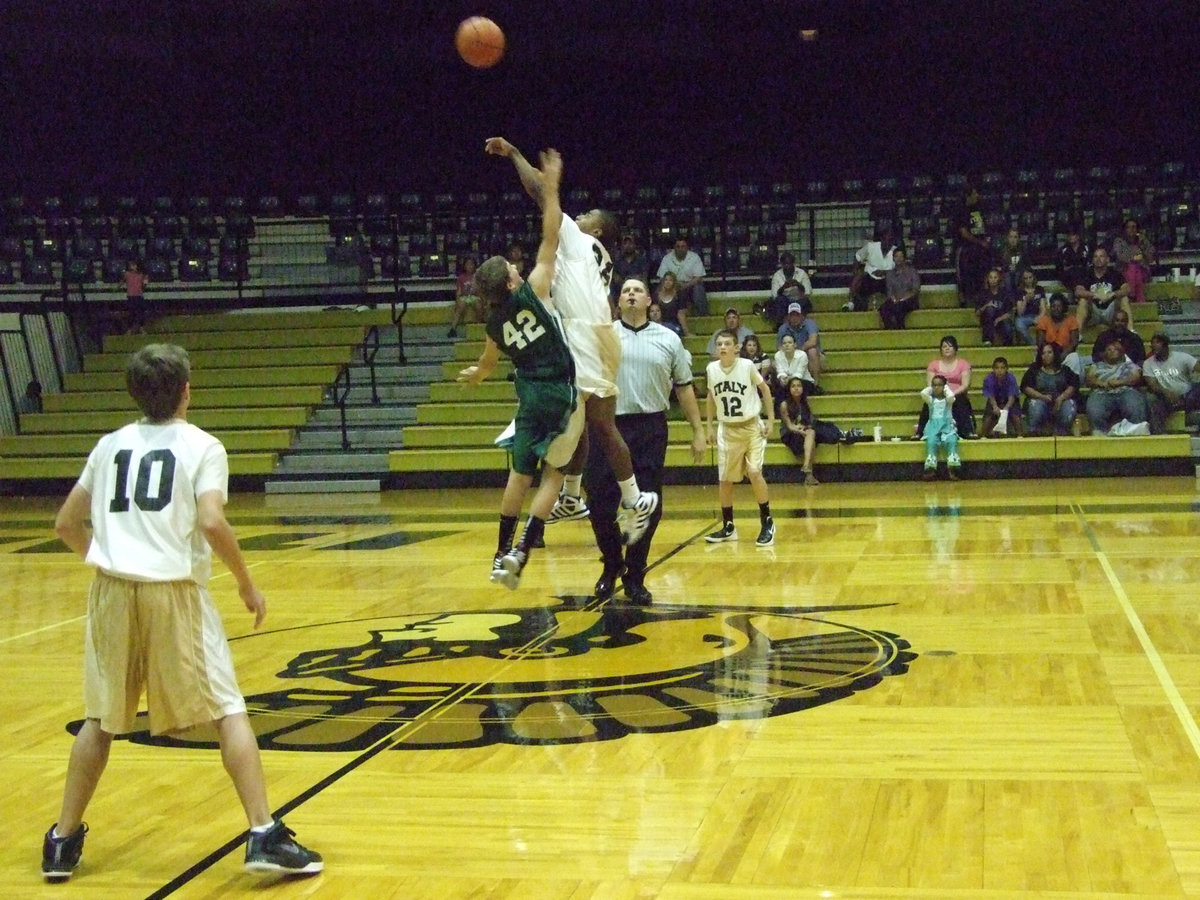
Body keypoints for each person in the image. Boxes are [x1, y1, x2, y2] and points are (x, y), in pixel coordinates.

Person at [43, 343, 323, 883]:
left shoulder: (109, 445)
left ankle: (60, 840)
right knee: (228, 707)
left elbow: (65, 523)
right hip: (172, 592)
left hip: (111, 591)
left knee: (101, 718)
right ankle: (262, 831)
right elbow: (213, 522)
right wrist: (246, 584)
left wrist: (104, 558)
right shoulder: (202, 446)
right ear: (187, 391)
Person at [486, 136, 658, 545]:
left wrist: (514, 154)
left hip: (585, 335)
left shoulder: (579, 241)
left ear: (596, 229)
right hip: (596, 334)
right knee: (584, 419)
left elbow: (540, 193)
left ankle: (631, 499)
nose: (576, 216)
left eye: (586, 215)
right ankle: (575, 494)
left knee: (594, 421)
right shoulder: (600, 258)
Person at [461, 147, 586, 587]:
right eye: (514, 268)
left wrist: (476, 375)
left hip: (527, 395)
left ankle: (499, 552)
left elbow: (488, 363)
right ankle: (523, 550)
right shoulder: (534, 288)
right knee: (556, 471)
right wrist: (550, 190)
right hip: (559, 391)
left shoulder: (494, 322)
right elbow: (551, 237)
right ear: (513, 282)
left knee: (519, 473)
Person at [584, 277, 706, 605]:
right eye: (626, 291)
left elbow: (683, 387)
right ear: (618, 301)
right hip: (607, 426)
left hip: (650, 427)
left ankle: (635, 574)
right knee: (598, 500)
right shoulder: (603, 336)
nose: (632, 295)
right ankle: (611, 563)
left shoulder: (669, 338)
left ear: (650, 299)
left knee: (649, 502)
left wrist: (698, 431)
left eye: (637, 290)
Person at [704, 329, 776, 546]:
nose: (723, 347)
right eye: (719, 344)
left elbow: (765, 389)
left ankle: (767, 521)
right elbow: (710, 396)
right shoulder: (711, 369)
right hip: (727, 429)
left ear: (736, 348)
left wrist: (771, 419)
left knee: (754, 472)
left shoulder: (746, 366)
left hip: (752, 427)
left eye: (727, 343)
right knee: (725, 480)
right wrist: (708, 425)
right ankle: (728, 526)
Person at [778, 376, 844, 485]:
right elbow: (789, 426)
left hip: (804, 433)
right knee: (811, 435)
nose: (796, 388)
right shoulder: (784, 405)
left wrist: (805, 428)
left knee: (811, 434)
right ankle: (807, 468)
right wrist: (799, 430)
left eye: (799, 386)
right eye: (793, 386)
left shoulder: (805, 404)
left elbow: (810, 422)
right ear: (789, 389)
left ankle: (808, 471)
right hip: (790, 435)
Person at [1085, 337, 1148, 434]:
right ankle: (1099, 433)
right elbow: (1089, 379)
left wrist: (1120, 382)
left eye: (1115, 349)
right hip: (1102, 392)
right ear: (1104, 353)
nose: (1112, 351)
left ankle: (1135, 430)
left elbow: (1136, 377)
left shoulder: (1129, 365)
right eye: (1109, 350)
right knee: (1094, 409)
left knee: (1134, 405)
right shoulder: (1096, 366)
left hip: (1126, 390)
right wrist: (1102, 383)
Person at [1141, 332, 1200, 433]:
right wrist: (1166, 392)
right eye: (1152, 343)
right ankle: (1159, 434)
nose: (1153, 345)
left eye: (1158, 342)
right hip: (1165, 397)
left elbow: (1197, 367)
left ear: (1166, 345)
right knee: (1153, 401)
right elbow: (1152, 385)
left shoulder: (1181, 357)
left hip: (1187, 395)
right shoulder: (1148, 363)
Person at [917, 336, 974, 438]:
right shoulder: (933, 365)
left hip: (957, 394)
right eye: (944, 346)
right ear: (941, 349)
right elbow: (930, 384)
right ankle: (919, 432)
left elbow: (965, 385)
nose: (947, 348)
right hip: (938, 394)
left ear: (955, 349)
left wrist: (952, 394)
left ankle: (967, 431)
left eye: (950, 346)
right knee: (927, 404)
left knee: (960, 401)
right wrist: (940, 394)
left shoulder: (963, 364)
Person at [1021, 342, 1081, 435]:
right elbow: (1025, 387)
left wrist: (1061, 398)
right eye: (1043, 353)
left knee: (1070, 406)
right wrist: (1042, 396)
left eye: (1049, 352)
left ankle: (1062, 432)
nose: (1046, 356)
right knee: (1036, 407)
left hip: (1060, 402)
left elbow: (1074, 384)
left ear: (1055, 354)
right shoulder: (1034, 369)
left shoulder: (1064, 370)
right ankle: (1034, 432)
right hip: (1040, 401)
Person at [1075, 247, 1132, 329]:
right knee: (1083, 301)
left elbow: (1127, 289)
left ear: (1107, 259)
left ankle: (1131, 331)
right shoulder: (1086, 274)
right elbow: (1078, 291)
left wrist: (1112, 294)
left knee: (1124, 299)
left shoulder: (1115, 274)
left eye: (1101, 256)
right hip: (1093, 312)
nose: (1098, 259)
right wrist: (1095, 295)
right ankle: (1078, 335)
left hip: (1111, 312)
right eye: (1095, 256)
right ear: (1092, 260)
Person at [953, 183, 990, 306]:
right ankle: (964, 300)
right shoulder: (960, 210)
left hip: (979, 249)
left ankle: (980, 298)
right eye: (975, 193)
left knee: (980, 273)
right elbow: (963, 232)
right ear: (968, 195)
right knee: (964, 275)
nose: (977, 196)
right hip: (965, 248)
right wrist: (980, 242)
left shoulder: (979, 208)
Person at [920, 374, 962, 479]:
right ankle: (931, 468)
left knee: (951, 440)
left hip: (947, 426)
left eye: (939, 385)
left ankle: (953, 467)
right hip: (933, 426)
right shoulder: (930, 400)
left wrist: (946, 388)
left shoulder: (948, 401)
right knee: (932, 441)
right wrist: (931, 388)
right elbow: (923, 393)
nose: (936, 387)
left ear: (944, 386)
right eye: (934, 385)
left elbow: (951, 397)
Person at [1034, 292, 1084, 378]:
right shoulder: (1044, 320)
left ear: (1064, 307)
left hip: (1066, 354)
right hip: (1048, 354)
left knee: (1074, 358)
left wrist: (1061, 356)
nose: (1055, 309)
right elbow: (1040, 343)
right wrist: (1050, 356)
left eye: (1058, 306)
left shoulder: (1071, 320)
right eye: (1053, 306)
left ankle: (1072, 386)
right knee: (1036, 357)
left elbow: (1074, 343)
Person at [846, 226, 896, 311]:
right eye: (886, 239)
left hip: (887, 280)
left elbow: (899, 269)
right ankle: (850, 302)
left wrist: (885, 272)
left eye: (891, 240)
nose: (888, 242)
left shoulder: (895, 251)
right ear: (882, 239)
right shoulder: (871, 247)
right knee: (859, 277)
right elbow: (857, 256)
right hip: (869, 277)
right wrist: (856, 271)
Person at [656, 236, 708, 315]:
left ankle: (703, 315)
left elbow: (698, 278)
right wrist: (674, 285)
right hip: (673, 286)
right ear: (674, 248)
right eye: (678, 246)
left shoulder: (695, 257)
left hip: (690, 286)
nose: (680, 249)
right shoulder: (667, 258)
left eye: (683, 246)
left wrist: (685, 285)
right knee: (660, 288)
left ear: (687, 247)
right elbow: (662, 277)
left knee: (698, 288)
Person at [776, 303, 823, 386]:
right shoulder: (783, 328)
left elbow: (813, 341)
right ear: (788, 317)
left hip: (811, 355)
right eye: (792, 315)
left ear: (802, 316)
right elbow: (779, 347)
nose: (794, 318)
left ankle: (816, 383)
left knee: (812, 351)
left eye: (797, 315)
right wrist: (791, 353)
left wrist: (798, 351)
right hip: (791, 355)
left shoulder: (810, 324)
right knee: (774, 363)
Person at [1111, 217, 1155, 305]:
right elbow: (1120, 257)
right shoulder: (1119, 241)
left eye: (1134, 227)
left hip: (1143, 272)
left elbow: (1150, 259)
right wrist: (1134, 258)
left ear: (1138, 229)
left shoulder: (1143, 241)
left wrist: (1142, 245)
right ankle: (1139, 299)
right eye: (1128, 227)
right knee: (1133, 267)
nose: (1131, 229)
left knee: (1136, 269)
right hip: (1123, 271)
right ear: (1124, 230)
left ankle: (1131, 295)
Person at [763, 251, 813, 326]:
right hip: (784, 302)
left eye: (789, 263)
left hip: (799, 300)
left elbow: (808, 292)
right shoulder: (777, 275)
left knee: (804, 302)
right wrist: (783, 287)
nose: (787, 266)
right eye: (785, 264)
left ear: (793, 263)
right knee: (780, 301)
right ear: (782, 264)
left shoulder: (801, 273)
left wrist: (798, 285)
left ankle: (800, 325)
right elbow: (774, 295)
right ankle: (782, 326)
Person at [980, 356, 1024, 437]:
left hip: (1010, 400)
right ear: (993, 369)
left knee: (1015, 414)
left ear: (1007, 369)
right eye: (997, 368)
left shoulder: (1011, 378)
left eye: (1002, 368)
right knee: (988, 415)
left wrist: (1006, 408)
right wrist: (995, 407)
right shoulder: (988, 379)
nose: (999, 370)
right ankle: (983, 435)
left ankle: (1020, 435)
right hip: (995, 400)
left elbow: (1012, 396)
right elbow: (990, 396)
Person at [880, 246, 920, 329]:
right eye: (896, 256)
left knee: (899, 307)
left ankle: (901, 329)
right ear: (893, 258)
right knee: (883, 308)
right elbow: (889, 290)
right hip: (895, 299)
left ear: (904, 258)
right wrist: (894, 299)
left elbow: (915, 290)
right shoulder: (890, 274)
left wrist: (902, 299)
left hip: (909, 300)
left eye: (901, 256)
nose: (899, 259)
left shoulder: (912, 272)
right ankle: (890, 328)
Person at [975, 267, 1015, 346]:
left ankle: (1008, 344)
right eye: (991, 277)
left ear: (999, 279)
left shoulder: (1004, 293)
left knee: (1007, 325)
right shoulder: (983, 293)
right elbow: (977, 313)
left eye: (995, 277)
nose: (993, 280)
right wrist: (986, 305)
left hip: (1001, 319)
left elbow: (1010, 312)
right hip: (987, 320)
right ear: (987, 279)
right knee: (990, 309)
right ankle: (987, 340)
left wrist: (999, 319)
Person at [772, 332, 816, 400]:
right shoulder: (778, 355)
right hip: (786, 383)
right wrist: (783, 379)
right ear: (781, 346)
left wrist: (788, 379)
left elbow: (799, 374)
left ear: (795, 345)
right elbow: (780, 372)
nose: (787, 345)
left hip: (803, 382)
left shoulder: (802, 355)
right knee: (779, 390)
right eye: (784, 343)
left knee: (796, 387)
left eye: (790, 343)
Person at [447, 254, 480, 337]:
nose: (470, 266)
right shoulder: (461, 278)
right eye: (467, 264)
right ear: (464, 266)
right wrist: (457, 300)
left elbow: (480, 291)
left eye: (472, 264)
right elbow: (459, 292)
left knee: (478, 304)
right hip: (464, 296)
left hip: (475, 296)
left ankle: (480, 325)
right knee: (461, 305)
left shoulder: (478, 277)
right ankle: (453, 329)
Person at [611, 234, 648, 305]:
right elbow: (616, 280)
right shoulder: (617, 262)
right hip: (621, 297)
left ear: (635, 245)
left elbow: (643, 278)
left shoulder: (641, 260)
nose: (628, 245)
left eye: (630, 243)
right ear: (622, 246)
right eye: (625, 243)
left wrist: (625, 279)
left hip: (638, 296)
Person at [1012, 268, 1046, 346]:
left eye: (1030, 277)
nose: (1028, 280)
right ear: (1022, 280)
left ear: (1033, 277)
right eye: (1025, 278)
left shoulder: (1039, 289)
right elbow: (1020, 312)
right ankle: (1033, 344)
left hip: (1037, 315)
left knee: (1045, 321)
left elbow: (1043, 307)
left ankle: (1044, 345)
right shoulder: (1019, 291)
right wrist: (1025, 300)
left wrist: (1040, 317)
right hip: (1024, 317)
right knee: (1019, 324)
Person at [1056, 223, 1091, 297]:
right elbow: (1059, 268)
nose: (1070, 237)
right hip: (1069, 279)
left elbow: (1090, 264)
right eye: (1069, 235)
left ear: (1078, 236)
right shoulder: (1063, 250)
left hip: (1085, 277)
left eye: (1073, 234)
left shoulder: (1087, 248)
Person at [655, 271, 689, 337]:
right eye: (666, 280)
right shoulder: (656, 296)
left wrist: (686, 332)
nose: (668, 282)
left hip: (674, 325)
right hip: (659, 325)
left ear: (674, 282)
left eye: (670, 280)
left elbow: (681, 315)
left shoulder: (679, 295)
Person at [997, 226, 1030, 292]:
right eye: (1011, 237)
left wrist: (1017, 268)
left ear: (1019, 239)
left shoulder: (1023, 250)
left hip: (1020, 275)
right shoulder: (1002, 251)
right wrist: (1008, 268)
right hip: (1006, 276)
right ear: (1007, 238)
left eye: (1015, 237)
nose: (1013, 240)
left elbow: (1027, 266)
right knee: (1008, 276)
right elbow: (999, 267)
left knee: (1017, 275)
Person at [123, 260, 149, 334]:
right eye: (131, 265)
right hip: (131, 296)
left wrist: (145, 280)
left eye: (134, 265)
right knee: (131, 313)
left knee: (141, 313)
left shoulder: (141, 275)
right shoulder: (127, 274)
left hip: (139, 295)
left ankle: (141, 328)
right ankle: (129, 329)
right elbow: (121, 282)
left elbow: (144, 285)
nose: (133, 267)